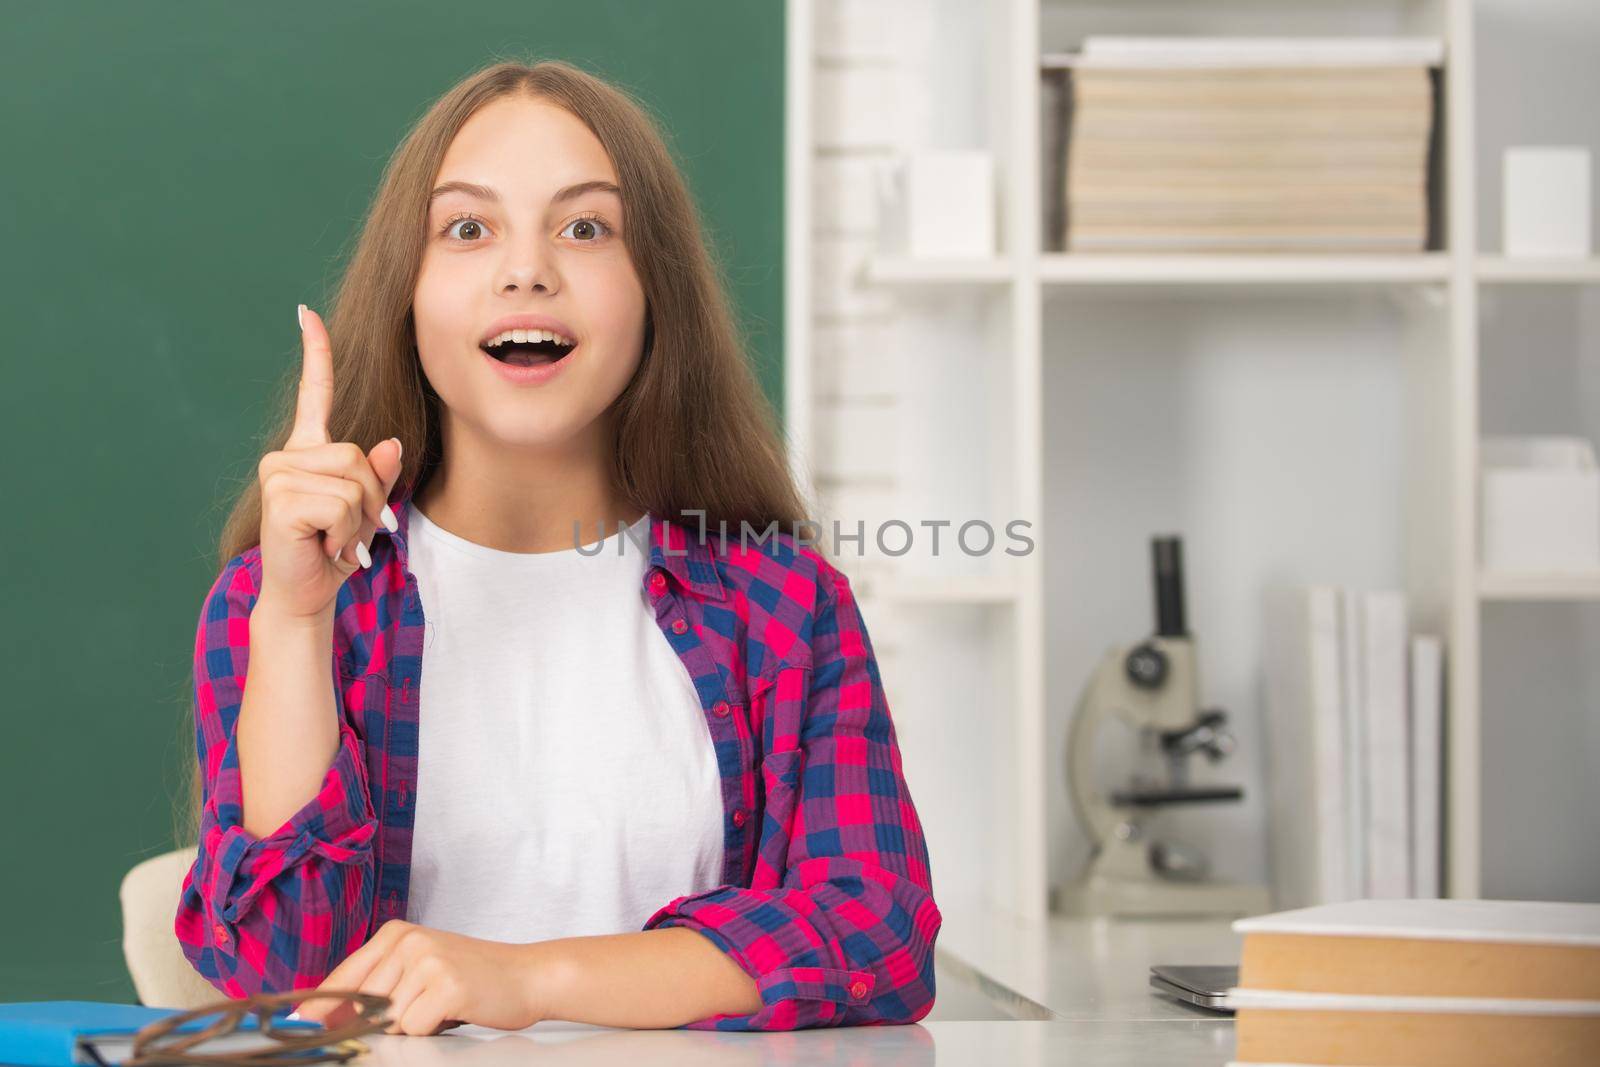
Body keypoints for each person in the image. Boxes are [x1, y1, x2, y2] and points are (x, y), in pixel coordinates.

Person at [172, 58, 940, 1035]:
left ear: (654, 288)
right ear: (407, 295)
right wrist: (294, 618)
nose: (526, 269)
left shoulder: (781, 601)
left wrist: (529, 979)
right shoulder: (279, 604)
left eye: (586, 227)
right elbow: (281, 977)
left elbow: (875, 930)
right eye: (467, 228)